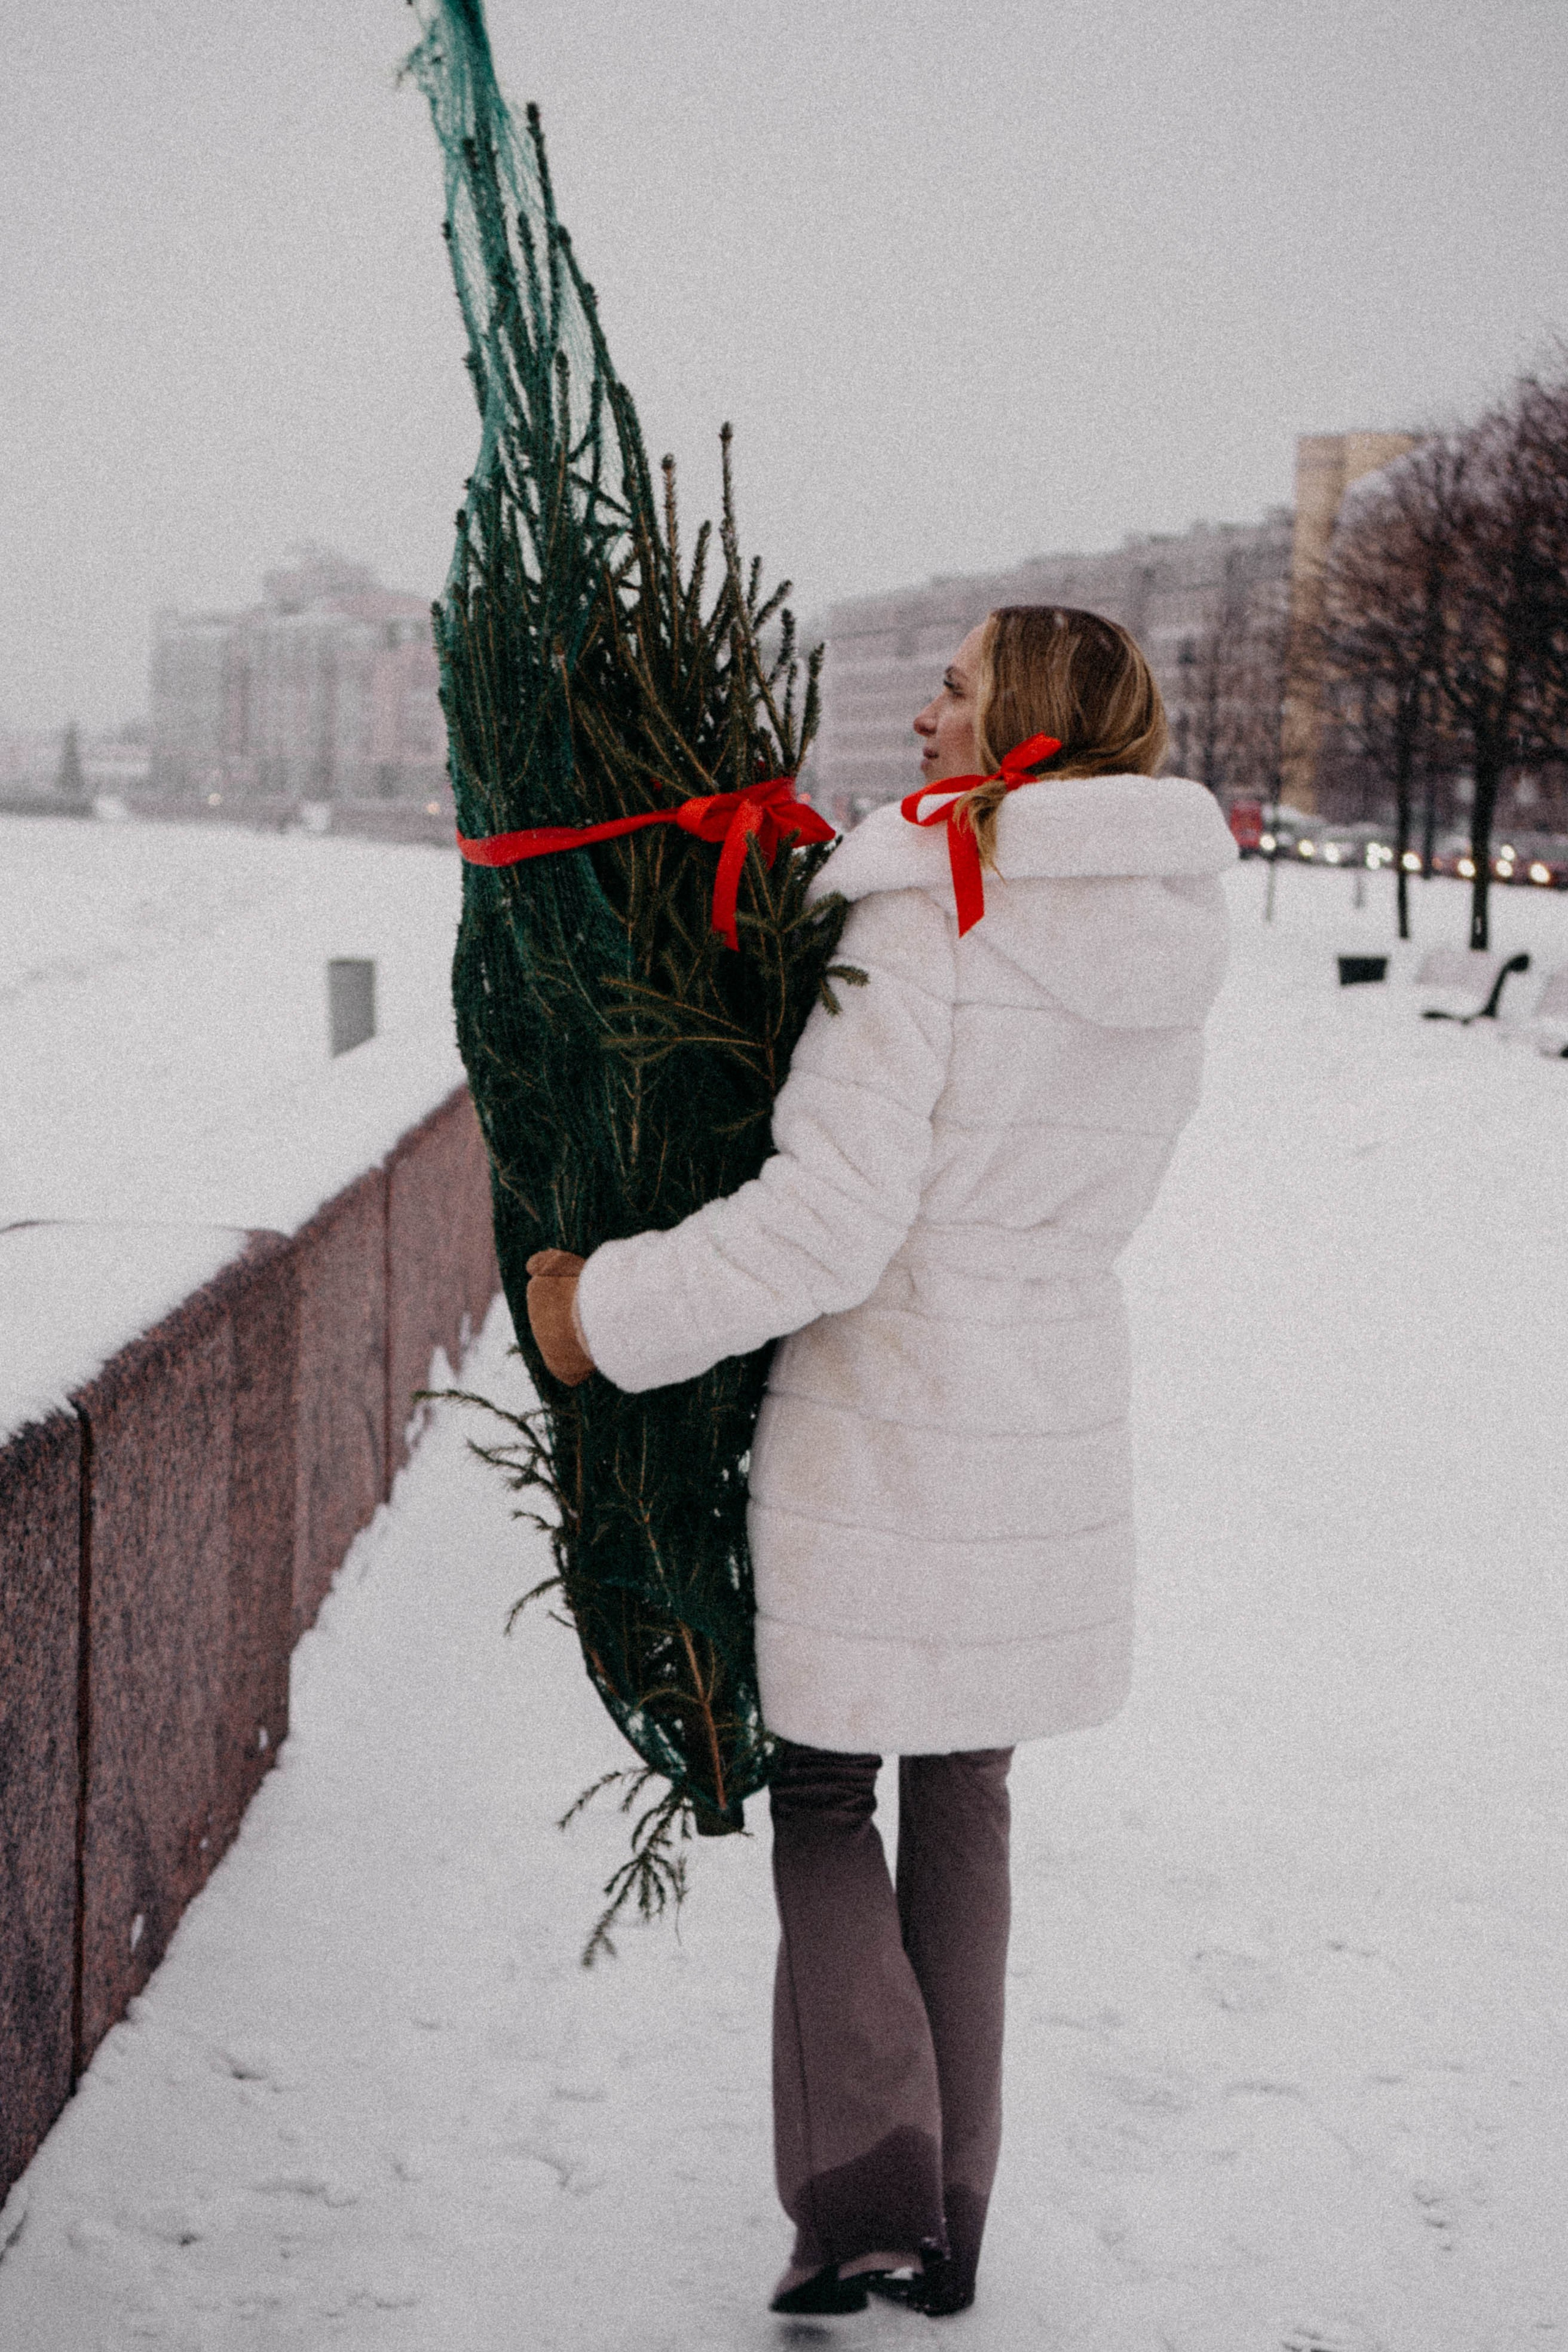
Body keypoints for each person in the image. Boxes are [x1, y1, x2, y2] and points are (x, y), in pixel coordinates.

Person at [524, 605, 1236, 2317]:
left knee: (832, 1789)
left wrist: (600, 1314)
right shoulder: (1162, 933)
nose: (921, 717)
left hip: (891, 1417)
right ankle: (957, 2211)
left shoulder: (930, 910)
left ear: (1027, 729)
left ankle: (865, 2198)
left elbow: (831, 1227)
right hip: (1047, 1414)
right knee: (970, 1792)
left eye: (955, 689)